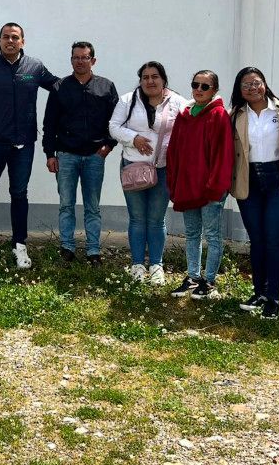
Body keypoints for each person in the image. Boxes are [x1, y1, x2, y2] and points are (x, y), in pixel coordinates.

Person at [229, 67, 279, 319]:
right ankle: (259, 292)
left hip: (278, 181)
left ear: (264, 84)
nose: (252, 88)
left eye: (256, 83)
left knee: (274, 240)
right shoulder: (236, 115)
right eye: (246, 85)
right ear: (239, 90)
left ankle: (273, 296)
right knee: (257, 239)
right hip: (248, 181)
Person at [0, 22, 59, 269]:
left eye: (15, 37)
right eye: (6, 37)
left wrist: (88, 86)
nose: (10, 41)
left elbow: (59, 87)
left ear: (22, 42)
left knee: (19, 193)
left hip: (24, 145)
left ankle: (20, 245)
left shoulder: (34, 67)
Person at [108, 61, 186, 285]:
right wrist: (134, 138)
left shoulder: (177, 102)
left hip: (163, 168)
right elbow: (113, 126)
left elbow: (190, 124)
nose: (150, 81)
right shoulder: (128, 100)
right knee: (137, 218)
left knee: (156, 218)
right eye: (145, 77)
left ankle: (156, 265)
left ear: (163, 79)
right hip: (134, 167)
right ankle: (137, 265)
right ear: (140, 80)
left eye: (154, 76)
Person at [42, 41, 120, 264]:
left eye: (84, 57)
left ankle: (93, 251)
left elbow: (115, 121)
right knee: (66, 204)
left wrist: (108, 145)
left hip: (95, 156)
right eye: (76, 57)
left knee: (92, 207)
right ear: (71, 60)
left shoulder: (106, 87)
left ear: (93, 60)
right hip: (66, 155)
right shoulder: (59, 87)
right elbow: (50, 124)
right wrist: (50, 154)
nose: (80, 61)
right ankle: (67, 248)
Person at [163, 70, 234, 299]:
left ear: (214, 90)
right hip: (187, 187)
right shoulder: (185, 115)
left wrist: (215, 186)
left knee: (212, 235)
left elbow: (223, 153)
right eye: (196, 84)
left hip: (209, 189)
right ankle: (193, 276)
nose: (199, 90)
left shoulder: (219, 115)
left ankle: (210, 280)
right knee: (192, 234)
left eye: (205, 86)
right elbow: (174, 151)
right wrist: (174, 182)